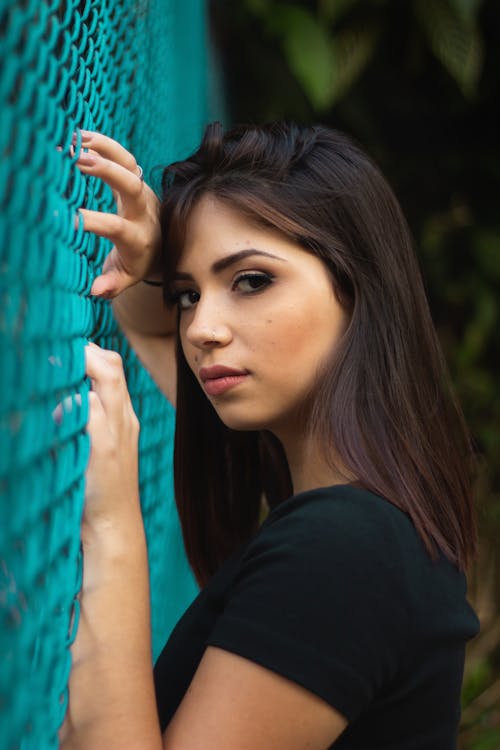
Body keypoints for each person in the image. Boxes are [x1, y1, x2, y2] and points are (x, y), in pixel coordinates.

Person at [60, 122, 479, 750]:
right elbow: (155, 332)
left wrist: (111, 523)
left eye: (251, 281)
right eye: (187, 296)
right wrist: (152, 263)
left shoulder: (346, 550)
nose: (202, 328)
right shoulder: (374, 521)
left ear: (356, 288)